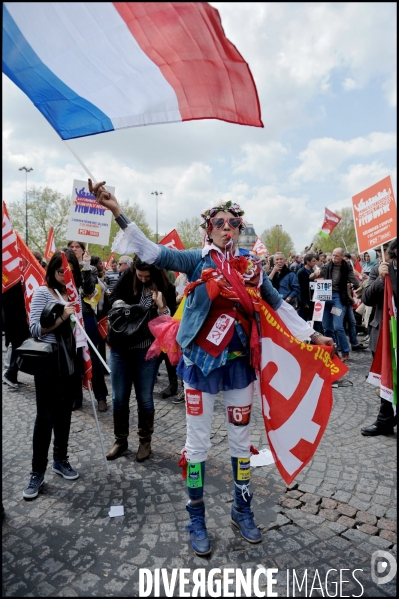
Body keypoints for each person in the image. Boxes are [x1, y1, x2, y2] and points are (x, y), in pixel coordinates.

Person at [90, 178, 334, 556]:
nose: (225, 227)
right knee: (198, 443)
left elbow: (278, 306)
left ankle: (242, 508)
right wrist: (118, 212)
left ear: (239, 228)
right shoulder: (195, 259)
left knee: (239, 443)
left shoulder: (252, 267)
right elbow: (153, 253)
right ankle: (196, 516)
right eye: (218, 222)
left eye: (232, 222)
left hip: (238, 366)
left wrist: (312, 336)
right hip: (200, 366)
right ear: (209, 229)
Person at [22, 250, 83, 500]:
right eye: (60, 271)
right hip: (48, 362)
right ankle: (37, 472)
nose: (64, 276)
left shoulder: (72, 292)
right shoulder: (42, 292)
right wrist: (62, 317)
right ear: (52, 270)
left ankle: (61, 459)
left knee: (64, 413)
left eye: (68, 273)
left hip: (69, 359)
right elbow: (36, 329)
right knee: (45, 417)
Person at [107, 256, 176, 461]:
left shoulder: (167, 287)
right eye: (140, 275)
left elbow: (170, 323)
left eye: (147, 276)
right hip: (120, 347)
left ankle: (145, 441)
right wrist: (125, 306)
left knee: (145, 398)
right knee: (119, 398)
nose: (143, 279)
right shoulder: (128, 276)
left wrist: (161, 307)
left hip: (146, 350)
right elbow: (113, 299)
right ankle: (120, 440)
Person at [361, 239, 397, 436]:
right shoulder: (379, 270)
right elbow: (366, 298)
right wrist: (381, 280)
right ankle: (385, 422)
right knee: (387, 380)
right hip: (383, 332)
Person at [67, 241, 108, 412]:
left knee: (93, 354)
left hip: (86, 315)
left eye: (77, 246)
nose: (73, 249)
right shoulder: (64, 269)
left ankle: (101, 396)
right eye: (71, 246)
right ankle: (76, 397)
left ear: (84, 250)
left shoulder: (89, 269)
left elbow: (90, 290)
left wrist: (85, 266)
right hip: (70, 316)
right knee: (74, 355)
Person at [319, 248, 360, 362]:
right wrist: (314, 274)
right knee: (327, 327)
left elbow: (356, 282)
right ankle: (332, 350)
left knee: (338, 326)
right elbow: (314, 276)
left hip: (337, 298)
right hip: (325, 297)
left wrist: (361, 285)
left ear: (342, 256)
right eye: (333, 255)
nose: (334, 257)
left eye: (337, 255)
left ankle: (345, 351)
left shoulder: (346, 269)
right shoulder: (326, 266)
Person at [297, 253, 318, 322]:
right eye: (313, 261)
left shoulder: (312, 271)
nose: (315, 263)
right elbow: (300, 288)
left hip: (312, 300)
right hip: (304, 301)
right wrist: (304, 302)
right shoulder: (301, 272)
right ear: (308, 262)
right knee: (303, 321)